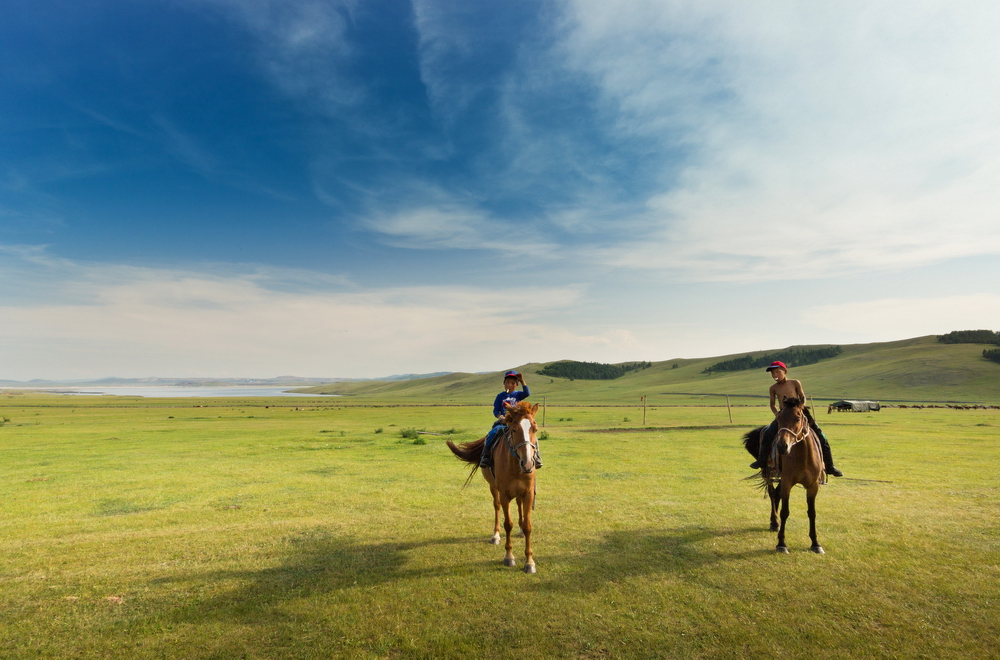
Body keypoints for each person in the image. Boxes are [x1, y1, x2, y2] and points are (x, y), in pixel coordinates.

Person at [749, 361, 843, 477]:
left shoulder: (795, 383)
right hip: (783, 415)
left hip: (800, 412)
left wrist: (800, 407)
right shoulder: (773, 388)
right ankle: (762, 460)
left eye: (778, 371)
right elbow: (772, 404)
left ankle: (830, 466)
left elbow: (803, 397)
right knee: (768, 433)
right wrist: (777, 414)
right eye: (773, 373)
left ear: (785, 371)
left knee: (821, 435)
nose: (775, 375)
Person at [479, 371, 542, 469]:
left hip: (517, 422)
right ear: (504, 384)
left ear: (516, 385)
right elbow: (496, 410)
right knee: (492, 433)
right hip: (504, 423)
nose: (510, 385)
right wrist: (501, 417)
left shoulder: (518, 395)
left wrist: (522, 380)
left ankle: (536, 456)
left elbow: (527, 393)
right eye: (507, 382)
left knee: (530, 435)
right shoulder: (500, 396)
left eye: (513, 383)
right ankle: (485, 456)